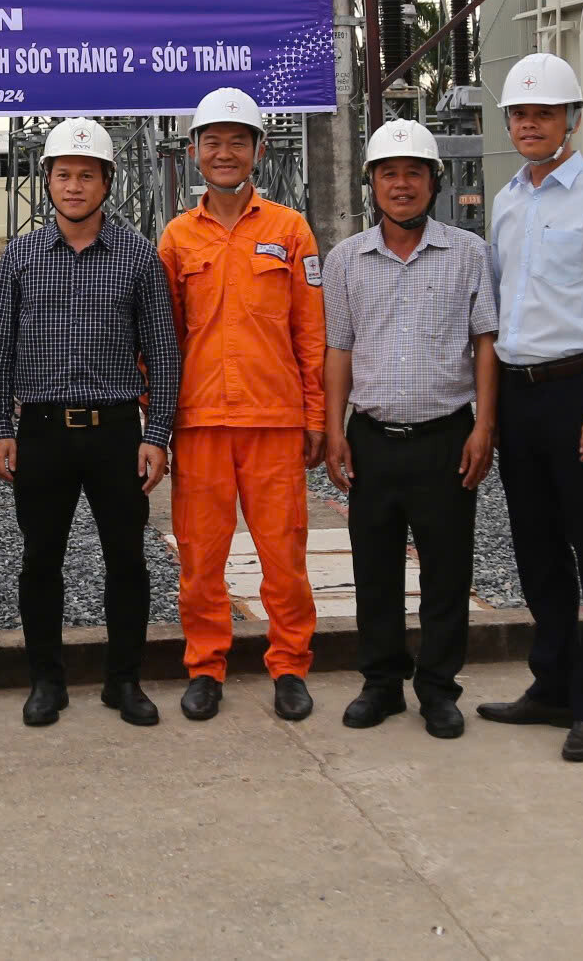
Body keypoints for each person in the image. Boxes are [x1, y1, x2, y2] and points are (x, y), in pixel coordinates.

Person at [0, 117, 181, 729]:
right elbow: (1, 350)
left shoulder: (137, 255)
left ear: (106, 182)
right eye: (64, 175)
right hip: (42, 432)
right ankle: (47, 681)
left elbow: (163, 351)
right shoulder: (21, 256)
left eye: (87, 176)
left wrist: (157, 434)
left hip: (115, 432)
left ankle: (124, 681)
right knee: (41, 560)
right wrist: (0, 428)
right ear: (47, 181)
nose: (74, 186)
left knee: (127, 559)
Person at [477, 52, 583, 763]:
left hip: (578, 390)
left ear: (572, 118)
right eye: (519, 114)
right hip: (520, 394)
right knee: (537, 548)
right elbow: (496, 305)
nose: (530, 124)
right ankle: (552, 685)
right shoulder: (508, 200)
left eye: (544, 113)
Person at [321, 118, 498, 740]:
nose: (402, 185)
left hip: (446, 438)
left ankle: (439, 689)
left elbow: (485, 343)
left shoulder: (469, 254)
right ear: (372, 183)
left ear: (433, 182)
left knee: (446, 572)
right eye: (389, 174)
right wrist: (334, 430)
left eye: (414, 173)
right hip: (372, 439)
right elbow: (338, 348)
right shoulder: (346, 260)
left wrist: (485, 427)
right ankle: (381, 684)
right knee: (374, 571)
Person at [156, 88, 326, 726]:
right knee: (201, 557)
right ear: (194, 152)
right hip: (199, 423)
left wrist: (316, 417)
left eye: (237, 141)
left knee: (284, 556)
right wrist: (158, 421)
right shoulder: (177, 238)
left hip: (274, 422)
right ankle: (205, 666)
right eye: (213, 142)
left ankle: (290, 665)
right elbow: (161, 339)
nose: (224, 153)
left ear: (259, 149)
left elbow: (310, 333)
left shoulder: (290, 230)